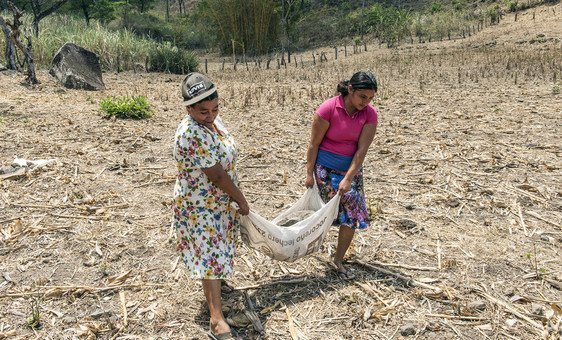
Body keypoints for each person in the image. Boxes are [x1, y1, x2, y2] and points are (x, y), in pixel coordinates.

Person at [172, 72, 249, 340]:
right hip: (201, 206)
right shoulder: (191, 133)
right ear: (189, 108)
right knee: (210, 256)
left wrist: (232, 197)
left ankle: (216, 285)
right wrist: (239, 197)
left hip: (218, 202)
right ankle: (216, 320)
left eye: (215, 108)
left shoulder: (212, 123)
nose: (210, 114)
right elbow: (215, 174)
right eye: (203, 111)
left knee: (216, 252)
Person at [304, 71, 378, 280]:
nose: (366, 102)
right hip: (325, 169)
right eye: (362, 96)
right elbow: (314, 143)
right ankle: (306, 247)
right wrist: (309, 173)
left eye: (370, 98)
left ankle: (338, 259)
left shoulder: (370, 115)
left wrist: (348, 178)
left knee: (351, 214)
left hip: (351, 169)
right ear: (351, 90)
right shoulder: (329, 108)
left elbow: (361, 151)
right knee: (329, 212)